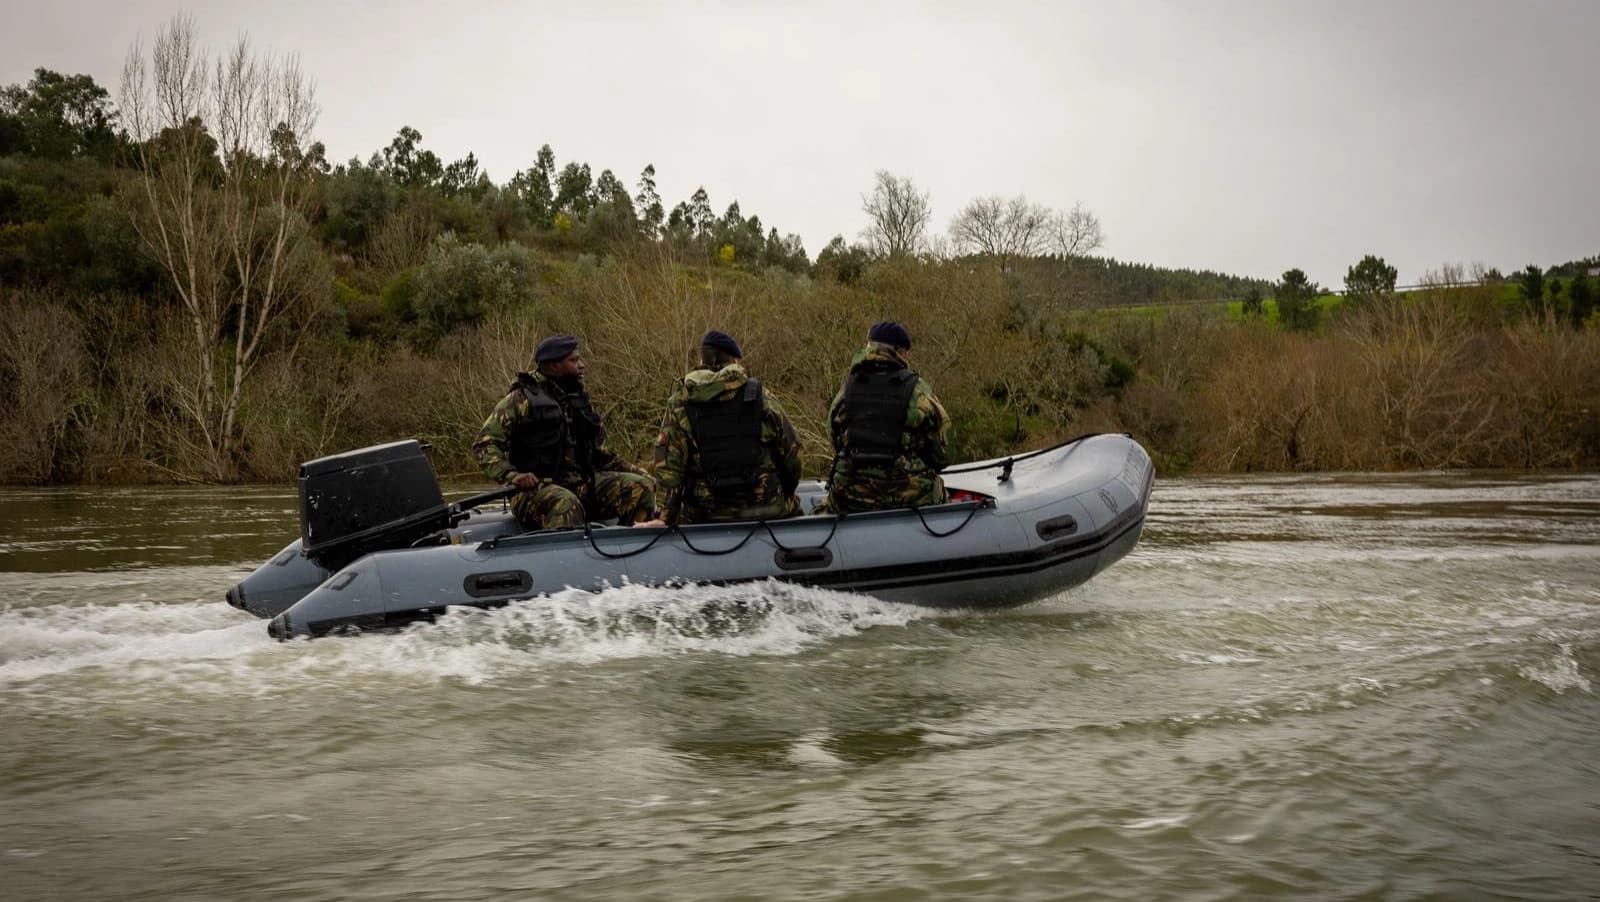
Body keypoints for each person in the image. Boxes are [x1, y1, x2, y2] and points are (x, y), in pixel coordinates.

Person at [472, 333, 656, 530]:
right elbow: (484, 445)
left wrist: (642, 473)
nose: (582, 365)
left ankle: (630, 544)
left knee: (642, 487)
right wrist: (511, 475)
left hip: (581, 485)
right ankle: (563, 548)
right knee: (565, 503)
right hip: (534, 491)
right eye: (574, 360)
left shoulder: (579, 400)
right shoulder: (520, 400)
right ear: (554, 366)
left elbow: (604, 455)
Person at [650, 329, 803, 525]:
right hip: (764, 508)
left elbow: (669, 469)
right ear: (733, 360)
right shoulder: (761, 397)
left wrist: (665, 517)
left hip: (705, 513)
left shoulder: (680, 403)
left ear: (703, 359)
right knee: (797, 507)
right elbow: (792, 455)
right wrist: (787, 491)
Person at [818, 320, 950, 513]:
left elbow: (834, 439)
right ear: (902, 352)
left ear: (869, 347)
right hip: (912, 495)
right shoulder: (919, 391)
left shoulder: (846, 391)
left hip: (851, 496)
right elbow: (943, 452)